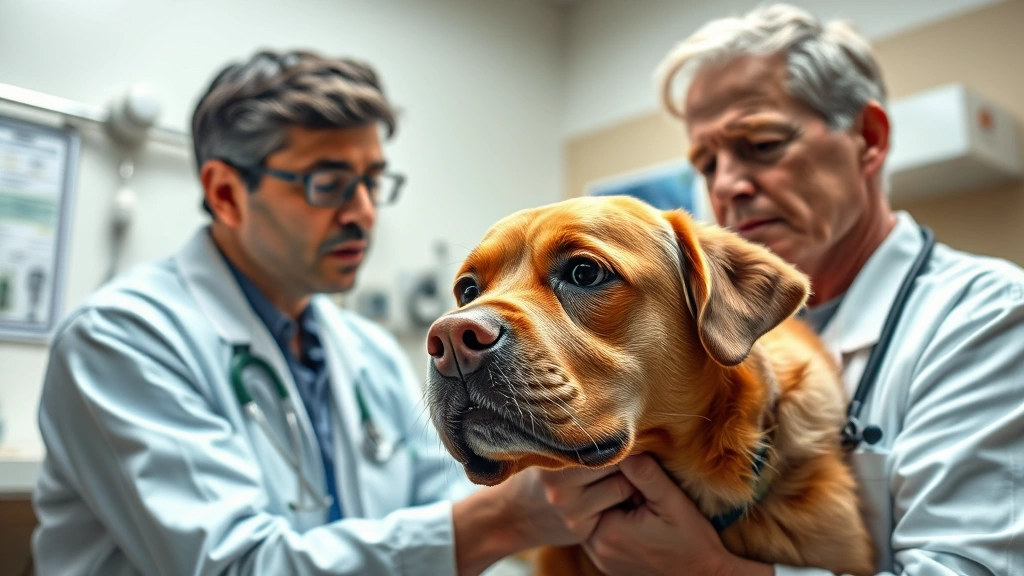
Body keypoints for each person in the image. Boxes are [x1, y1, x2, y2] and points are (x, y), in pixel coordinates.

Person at [31, 50, 636, 576]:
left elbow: (439, 502)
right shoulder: (119, 338)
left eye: (373, 181)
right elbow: (234, 566)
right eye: (327, 182)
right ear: (225, 193)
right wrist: (506, 518)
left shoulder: (365, 351)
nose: (363, 212)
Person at [577, 5, 1024, 576]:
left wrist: (708, 570)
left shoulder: (985, 315)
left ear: (868, 138)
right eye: (707, 163)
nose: (727, 186)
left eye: (761, 145)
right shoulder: (708, 336)